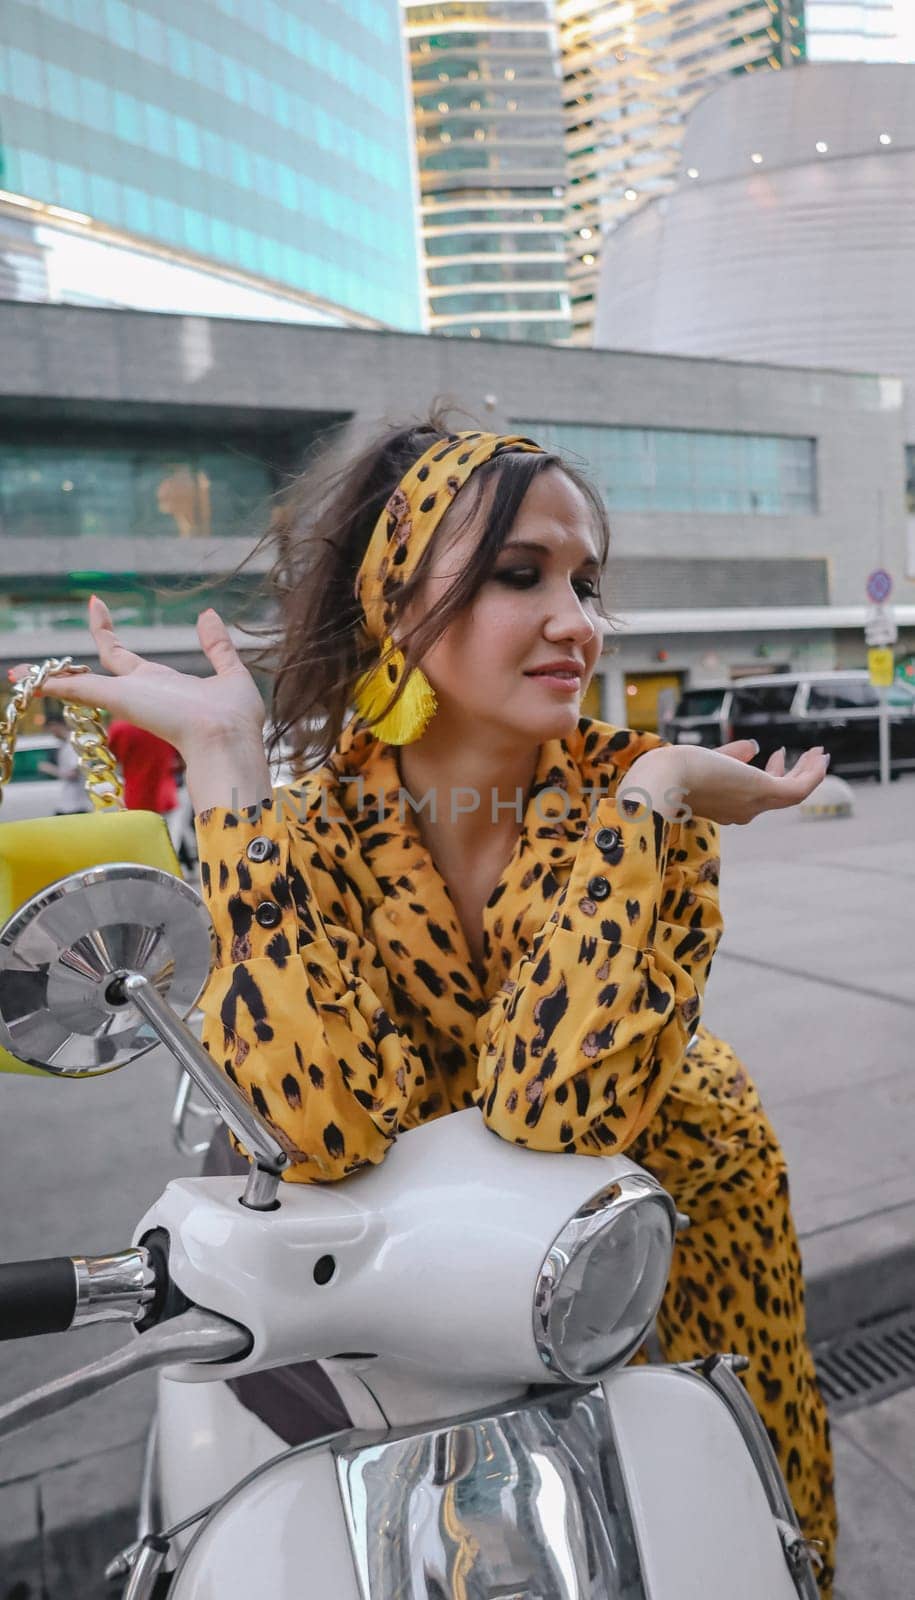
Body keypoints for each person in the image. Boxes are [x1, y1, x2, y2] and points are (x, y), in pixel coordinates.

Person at [27, 418, 837, 1592]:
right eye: (522, 575)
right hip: (435, 1281)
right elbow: (326, 1123)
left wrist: (658, 791)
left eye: (585, 581)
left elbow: (559, 1112)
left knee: (737, 1535)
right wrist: (227, 766)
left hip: (674, 1225)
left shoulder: (646, 805)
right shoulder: (302, 832)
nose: (579, 620)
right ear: (400, 608)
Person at [38, 716, 90, 814]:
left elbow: (73, 774)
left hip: (75, 804)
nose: (51, 733)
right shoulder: (65, 744)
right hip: (70, 803)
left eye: (50, 728)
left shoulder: (73, 745)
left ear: (57, 726)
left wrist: (50, 769)